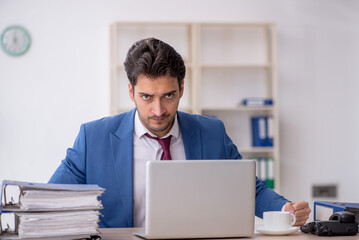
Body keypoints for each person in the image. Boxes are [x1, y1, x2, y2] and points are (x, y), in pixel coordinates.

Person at [49, 37, 311, 228]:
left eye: (169, 95)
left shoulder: (211, 132)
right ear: (131, 92)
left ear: (181, 89)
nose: (158, 109)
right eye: (146, 97)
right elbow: (50, 201)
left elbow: (248, 190)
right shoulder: (93, 138)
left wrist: (283, 208)